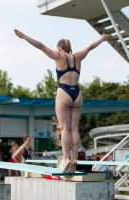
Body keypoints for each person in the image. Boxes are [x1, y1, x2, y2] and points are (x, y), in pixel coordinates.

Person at [14, 29, 110, 173]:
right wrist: (102, 38)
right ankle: (74, 158)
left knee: (65, 128)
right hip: (77, 94)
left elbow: (40, 46)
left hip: (64, 92)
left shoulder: (58, 56)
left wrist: (24, 37)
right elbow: (90, 46)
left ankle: (66, 159)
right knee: (75, 128)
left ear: (59, 48)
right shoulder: (78, 56)